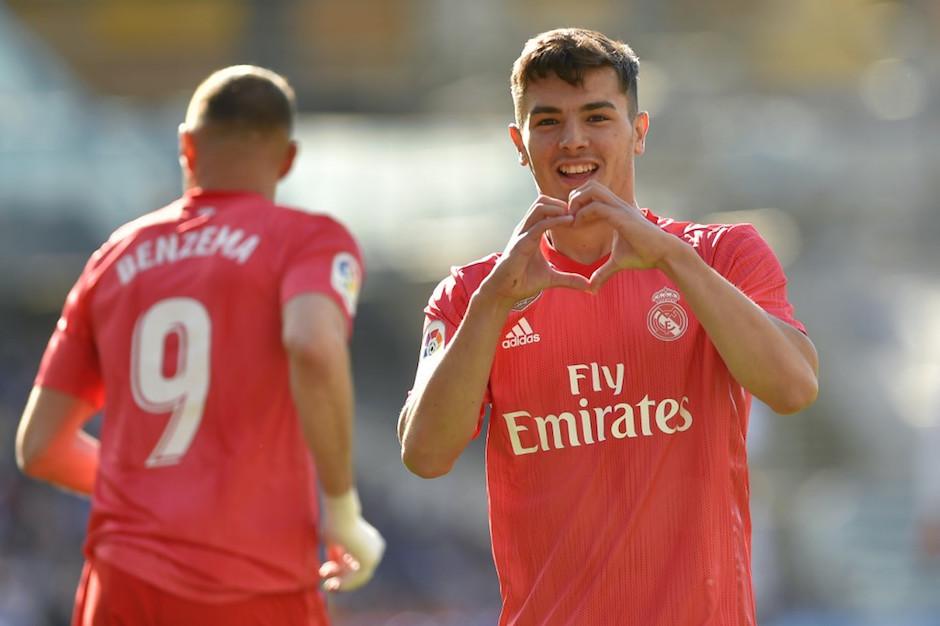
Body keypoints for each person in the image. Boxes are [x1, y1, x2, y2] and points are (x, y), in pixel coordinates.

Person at [398, 28, 818, 625]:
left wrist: (674, 258)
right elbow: (425, 454)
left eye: (597, 116)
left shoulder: (721, 255)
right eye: (547, 122)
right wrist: (491, 306)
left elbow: (794, 388)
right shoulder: (473, 293)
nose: (572, 141)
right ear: (520, 143)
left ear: (638, 132)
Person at [15, 65, 384, 625]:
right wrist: (340, 507)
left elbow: (39, 447)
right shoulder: (308, 240)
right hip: (255, 580)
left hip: (124, 581)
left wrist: (152, 493)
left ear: (187, 147)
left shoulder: (114, 258)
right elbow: (312, 343)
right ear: (287, 159)